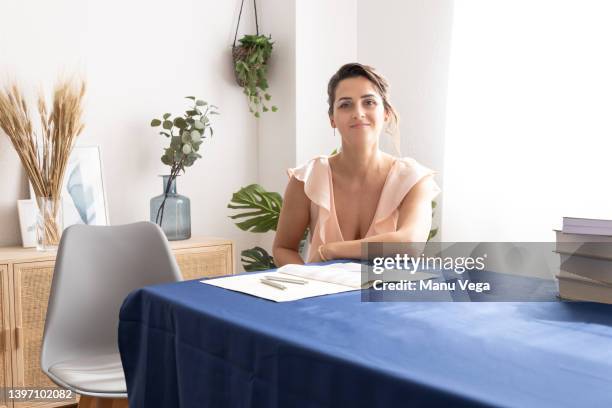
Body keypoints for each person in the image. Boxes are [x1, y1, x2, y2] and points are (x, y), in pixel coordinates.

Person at [272, 63, 441, 267]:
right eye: (345, 104)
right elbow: (283, 248)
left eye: (369, 102)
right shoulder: (307, 178)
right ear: (332, 119)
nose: (358, 112)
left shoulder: (413, 178)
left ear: (386, 112)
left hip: (389, 296)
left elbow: (410, 243)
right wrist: (307, 283)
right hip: (321, 296)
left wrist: (329, 251)